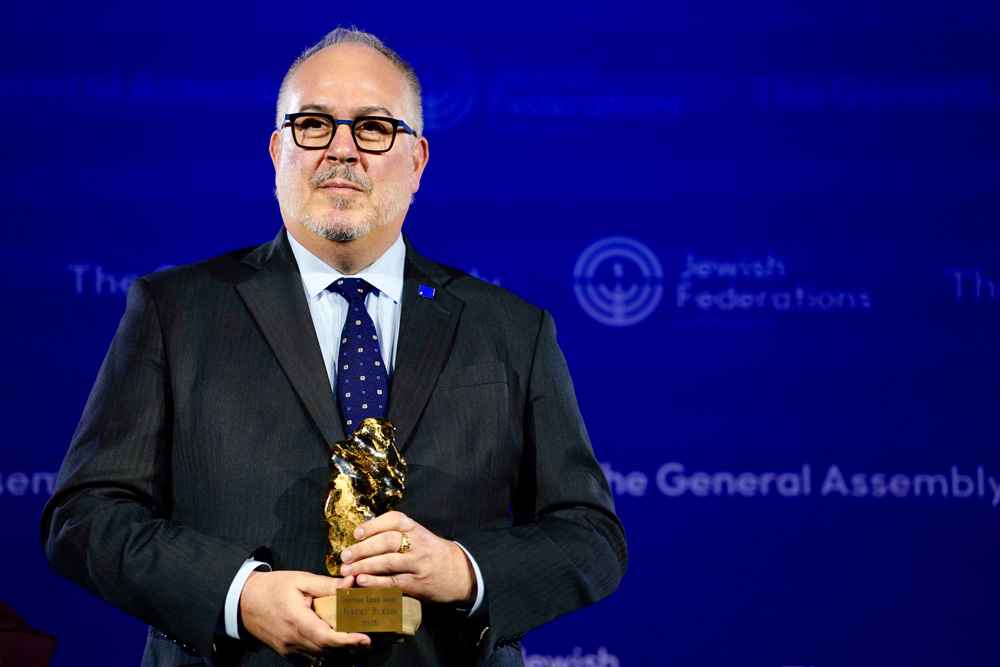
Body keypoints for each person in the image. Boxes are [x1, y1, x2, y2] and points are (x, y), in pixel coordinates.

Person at [41, 28, 627, 667]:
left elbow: (590, 535)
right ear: (277, 151)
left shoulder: (513, 329)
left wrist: (463, 569)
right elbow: (85, 518)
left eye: (374, 128)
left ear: (418, 160)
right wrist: (238, 596)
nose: (341, 150)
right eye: (313, 124)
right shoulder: (173, 310)